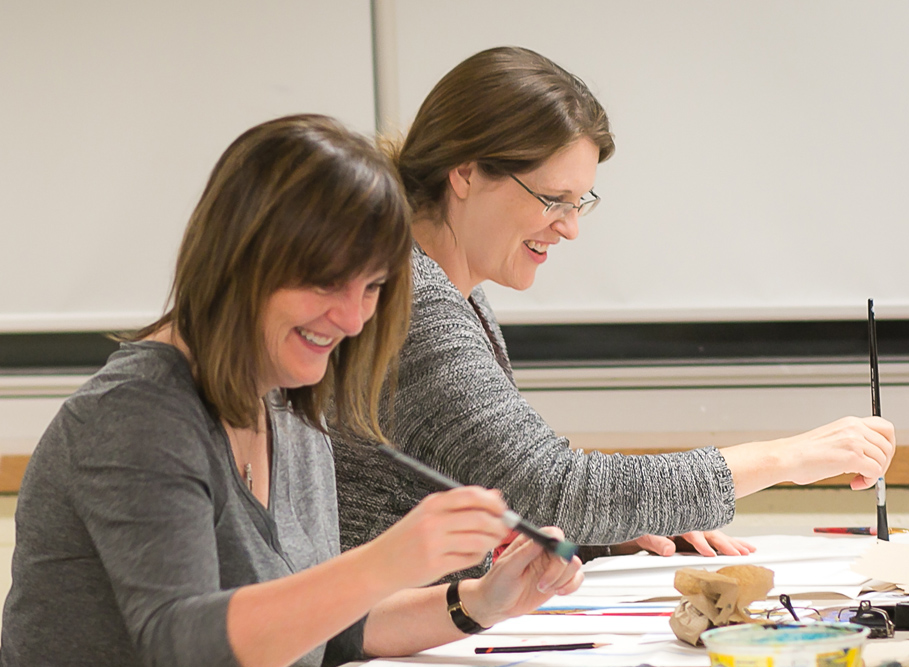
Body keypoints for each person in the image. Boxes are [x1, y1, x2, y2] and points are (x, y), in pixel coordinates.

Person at [0, 115, 582, 667]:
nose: (353, 319)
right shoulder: (133, 417)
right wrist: (381, 565)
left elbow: (321, 632)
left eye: (373, 286)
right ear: (241, 261)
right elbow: (180, 645)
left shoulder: (287, 404)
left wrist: (479, 602)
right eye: (328, 282)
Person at [332, 47, 896, 573]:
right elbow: (548, 487)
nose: (570, 228)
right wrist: (787, 458)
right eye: (553, 200)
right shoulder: (408, 299)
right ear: (467, 172)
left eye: (580, 204)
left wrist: (613, 531)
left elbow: (487, 489)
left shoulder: (453, 287)